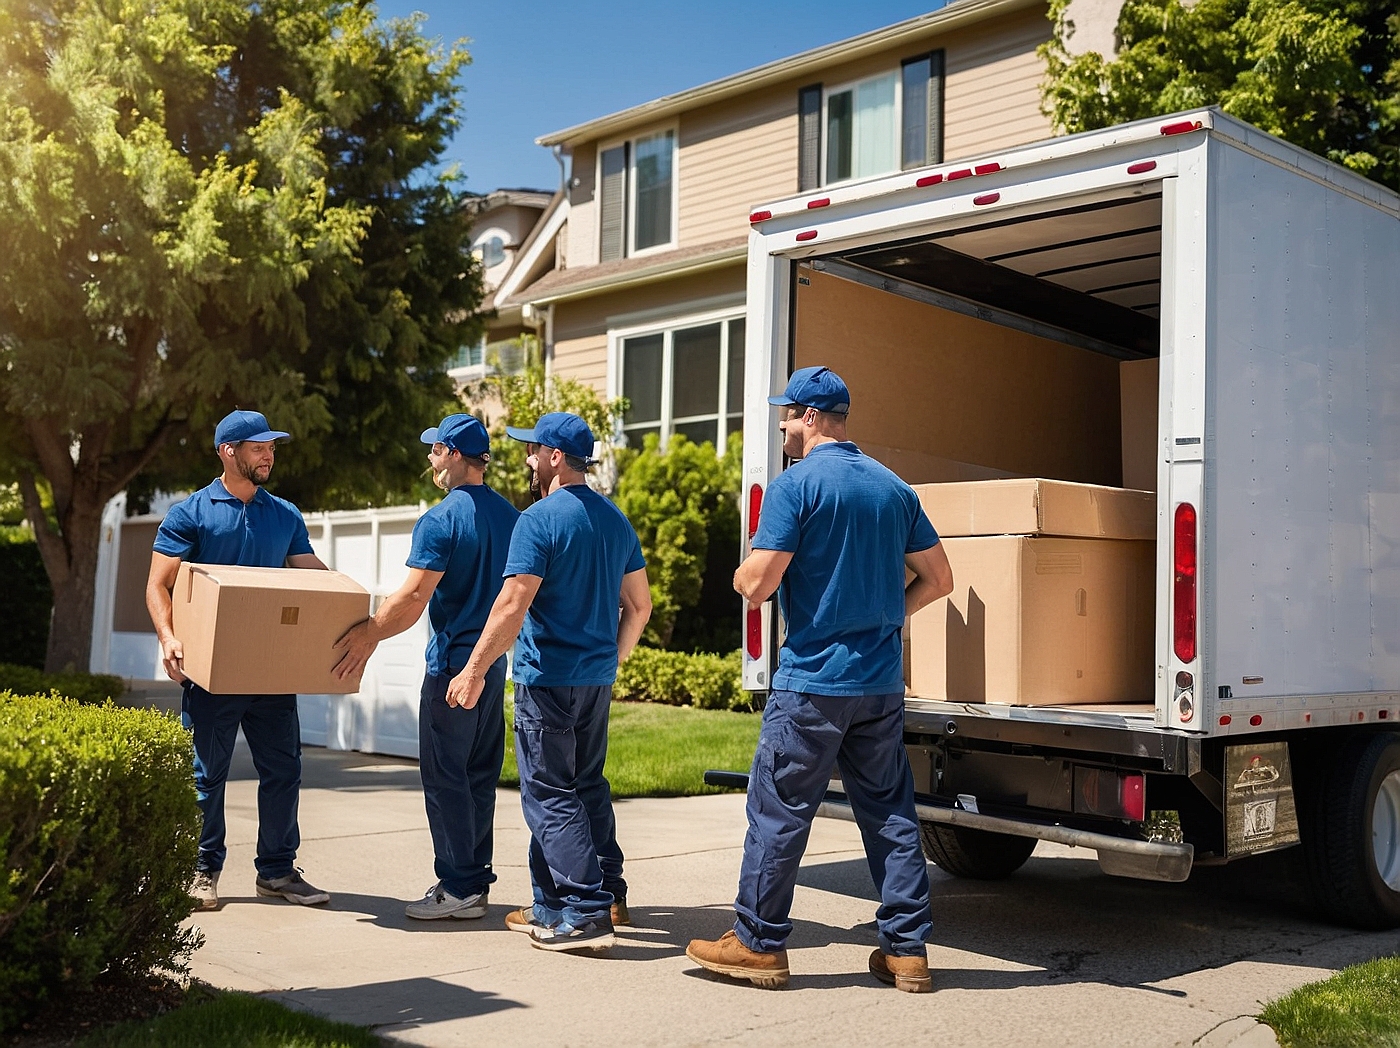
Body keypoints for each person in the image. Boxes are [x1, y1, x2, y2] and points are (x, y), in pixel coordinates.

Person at [686, 366, 955, 993]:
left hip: (812, 684)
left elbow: (759, 584)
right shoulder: (894, 489)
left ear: (811, 417)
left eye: (786, 413)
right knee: (890, 814)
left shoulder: (796, 486)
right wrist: (886, 616)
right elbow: (940, 579)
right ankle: (907, 952)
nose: (780, 424)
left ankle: (757, 944)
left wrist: (739, 574)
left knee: (778, 812)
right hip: (880, 684)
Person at [445, 412, 652, 952]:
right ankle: (559, 902)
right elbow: (640, 606)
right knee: (582, 786)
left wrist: (472, 670)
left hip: (548, 681)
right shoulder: (615, 520)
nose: (528, 459)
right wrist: (612, 661)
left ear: (555, 457)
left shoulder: (537, 520)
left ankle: (584, 912)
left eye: (533, 450)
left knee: (548, 794)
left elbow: (513, 604)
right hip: (593, 681)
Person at [332, 414, 519, 920]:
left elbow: (414, 595)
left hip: (453, 669)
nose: (430, 459)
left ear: (455, 453)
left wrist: (367, 633)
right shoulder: (513, 517)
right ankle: (474, 884)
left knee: (444, 776)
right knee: (478, 775)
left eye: (435, 450)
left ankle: (457, 887)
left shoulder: (441, 519)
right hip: (492, 663)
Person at [146, 410, 333, 911]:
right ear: (228, 451)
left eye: (271, 447)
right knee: (206, 773)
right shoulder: (192, 512)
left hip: (271, 668)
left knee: (283, 771)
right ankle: (201, 870)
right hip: (212, 670)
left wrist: (344, 597)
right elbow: (158, 584)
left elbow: (310, 574)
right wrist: (168, 637)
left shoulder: (285, 514)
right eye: (258, 447)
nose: (268, 454)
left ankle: (276, 872)